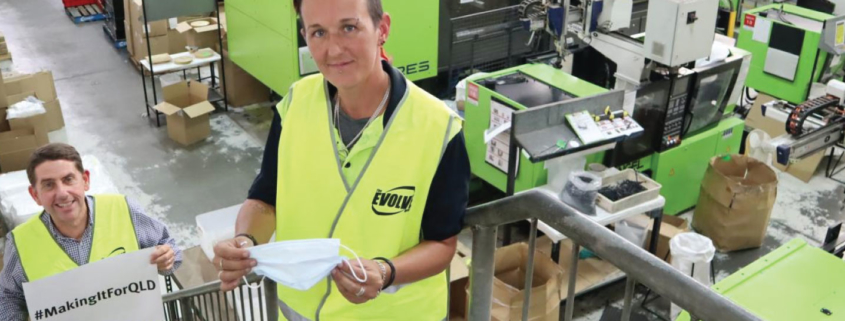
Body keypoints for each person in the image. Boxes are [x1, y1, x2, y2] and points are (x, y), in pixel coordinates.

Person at [212, 0, 471, 320]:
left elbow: (442, 243)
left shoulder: (438, 128)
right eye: (319, 32)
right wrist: (245, 241)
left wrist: (385, 272)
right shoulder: (294, 105)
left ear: (383, 29)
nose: (334, 50)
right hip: (300, 311)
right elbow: (265, 199)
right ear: (305, 35)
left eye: (349, 28)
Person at [0, 143, 182, 320]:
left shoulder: (124, 210)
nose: (62, 193)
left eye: (68, 179)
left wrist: (166, 259)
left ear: (85, 180)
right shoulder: (20, 243)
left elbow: (170, 248)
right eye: (49, 185)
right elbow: (8, 298)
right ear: (35, 195)